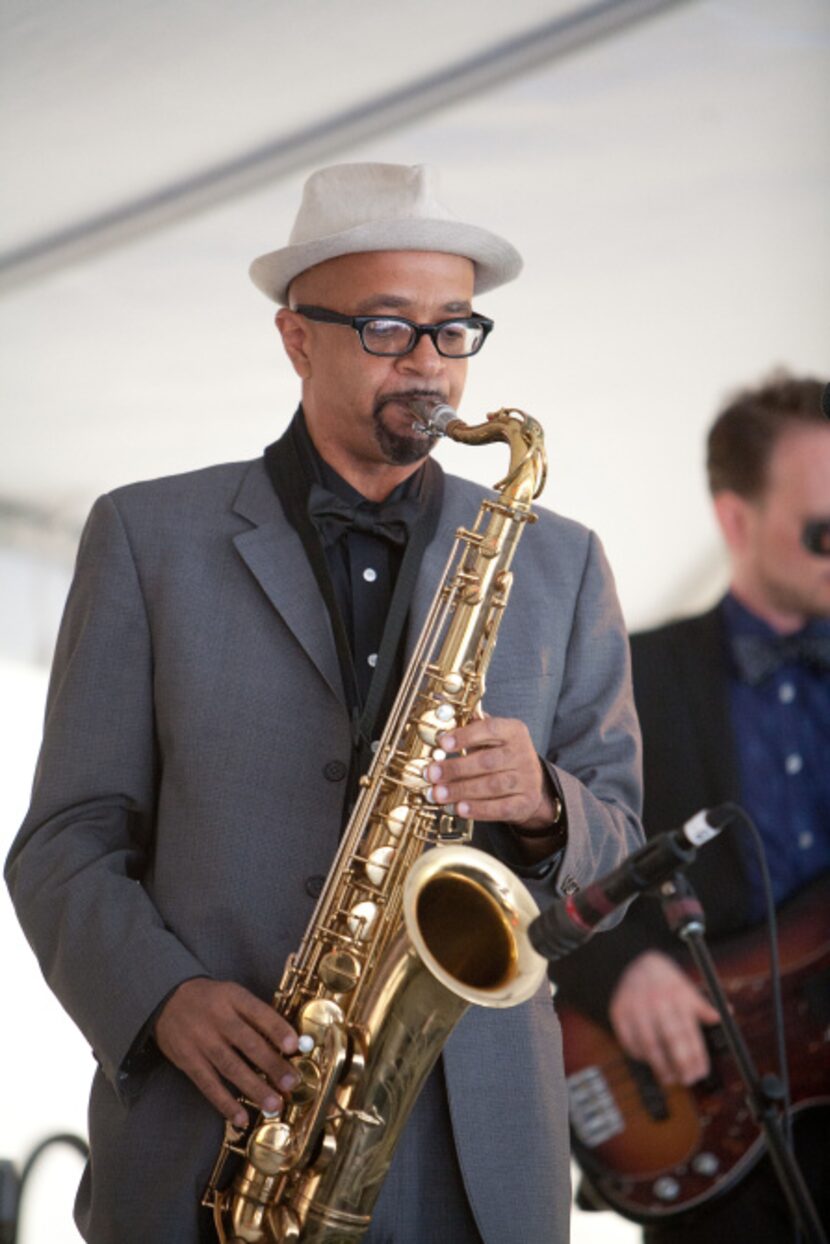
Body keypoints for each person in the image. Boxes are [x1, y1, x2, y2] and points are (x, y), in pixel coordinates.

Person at [5, 161, 643, 1244]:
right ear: (295, 335)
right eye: (389, 327)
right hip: (224, 1122)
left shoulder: (560, 561)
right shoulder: (146, 537)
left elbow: (620, 844)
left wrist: (543, 802)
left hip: (475, 1153)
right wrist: (161, 997)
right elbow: (63, 842)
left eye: (453, 329)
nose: (430, 365)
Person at [551, 371, 830, 1243]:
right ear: (735, 520)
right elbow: (535, 859)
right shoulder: (632, 677)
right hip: (704, 1118)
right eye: (824, 531)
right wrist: (620, 969)